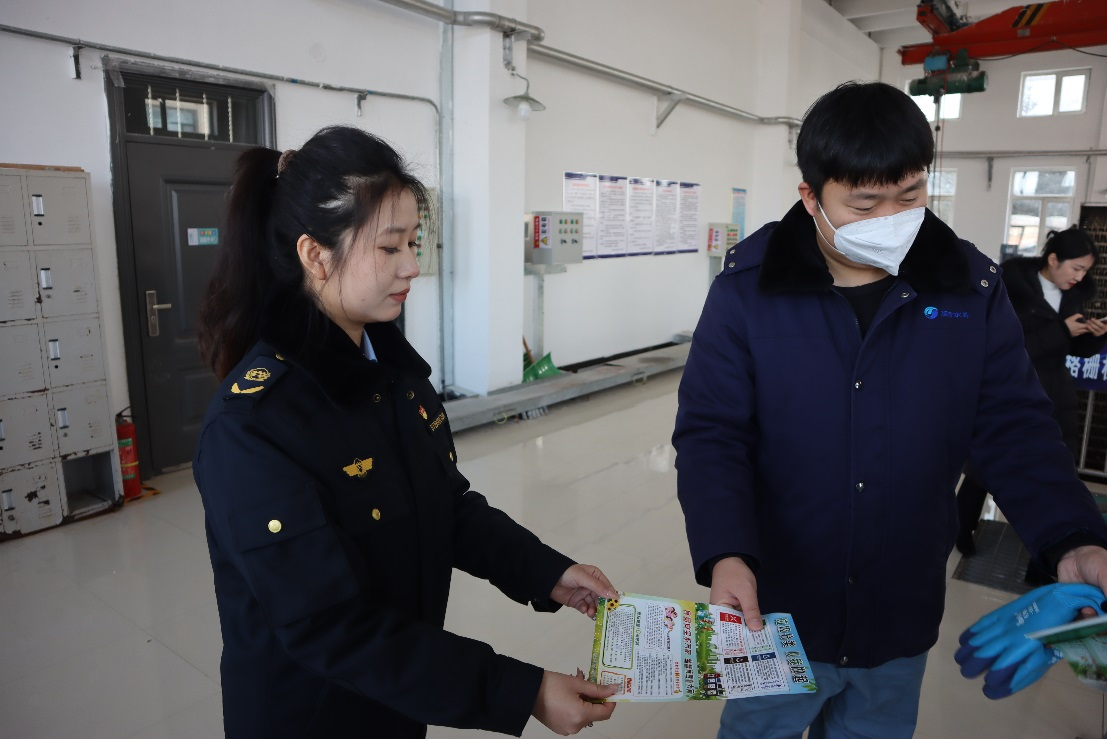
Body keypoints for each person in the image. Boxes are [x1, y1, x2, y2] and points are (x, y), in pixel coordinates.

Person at [672, 81, 1107, 739]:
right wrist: (725, 551)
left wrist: (1071, 537)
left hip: (897, 605)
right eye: (864, 203)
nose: (891, 218)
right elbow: (712, 433)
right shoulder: (749, 288)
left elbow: (1013, 425)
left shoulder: (968, 289)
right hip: (777, 603)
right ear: (811, 196)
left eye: (908, 195)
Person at [193, 126, 618, 738]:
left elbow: (444, 504)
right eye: (389, 247)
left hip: (397, 699)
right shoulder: (254, 425)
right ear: (315, 255)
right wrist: (521, 691)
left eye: (413, 242)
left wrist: (547, 572)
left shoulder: (392, 374)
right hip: (311, 717)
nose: (413, 266)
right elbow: (330, 627)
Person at [956, 227, 1107, 557]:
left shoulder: (1072, 296)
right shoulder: (1010, 289)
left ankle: (1052, 551)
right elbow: (1012, 347)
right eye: (1076, 268)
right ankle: (962, 529)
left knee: (1051, 463)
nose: (1080, 277)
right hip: (1008, 387)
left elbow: (1071, 348)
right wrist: (1062, 330)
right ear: (1053, 260)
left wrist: (1093, 336)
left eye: (1085, 271)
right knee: (985, 468)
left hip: (1055, 391)